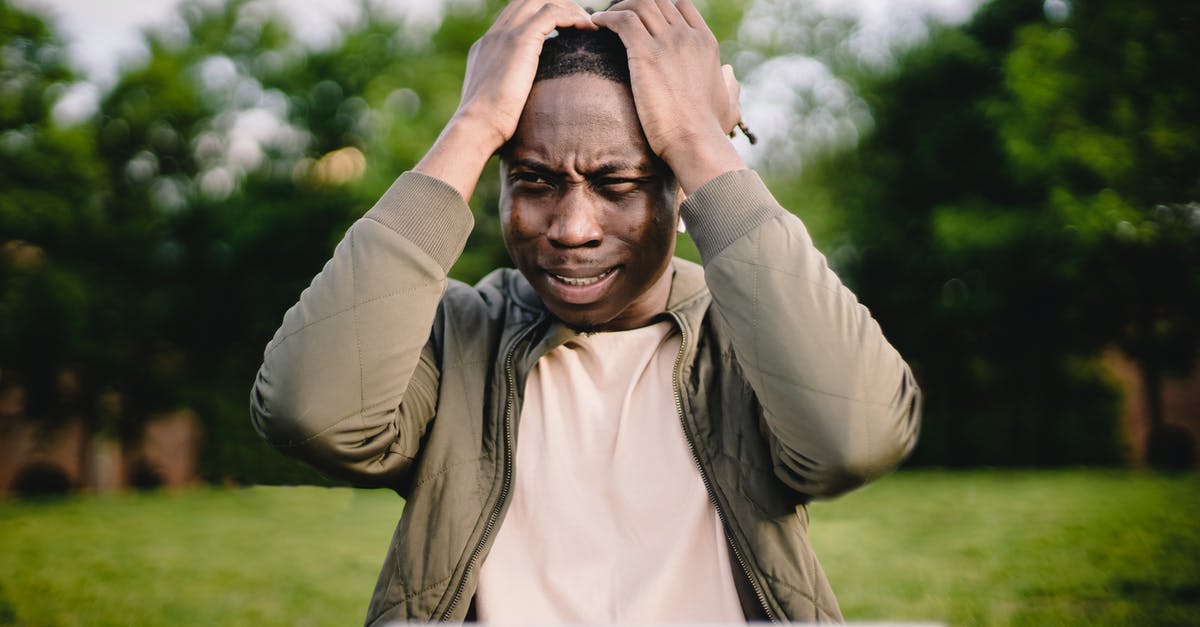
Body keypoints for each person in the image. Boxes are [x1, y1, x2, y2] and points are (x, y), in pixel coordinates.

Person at [250, 0, 921, 624]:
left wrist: (697, 136)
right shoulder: (457, 336)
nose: (572, 227)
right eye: (535, 181)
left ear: (678, 190)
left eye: (616, 184)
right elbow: (311, 411)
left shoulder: (752, 338)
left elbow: (855, 436)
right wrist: (474, 123)